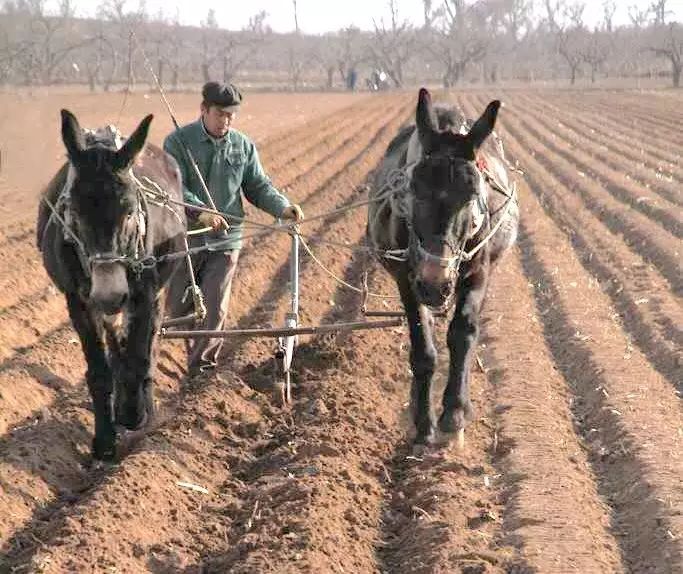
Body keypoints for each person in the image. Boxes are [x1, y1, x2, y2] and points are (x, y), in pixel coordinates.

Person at [163, 81, 304, 377]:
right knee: (178, 308)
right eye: (220, 114)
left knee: (214, 305)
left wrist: (282, 207)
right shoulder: (178, 142)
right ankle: (190, 349)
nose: (226, 120)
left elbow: (257, 185)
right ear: (204, 110)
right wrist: (201, 213)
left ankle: (202, 368)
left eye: (231, 115)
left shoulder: (243, 145)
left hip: (226, 240)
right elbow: (174, 187)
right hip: (184, 237)